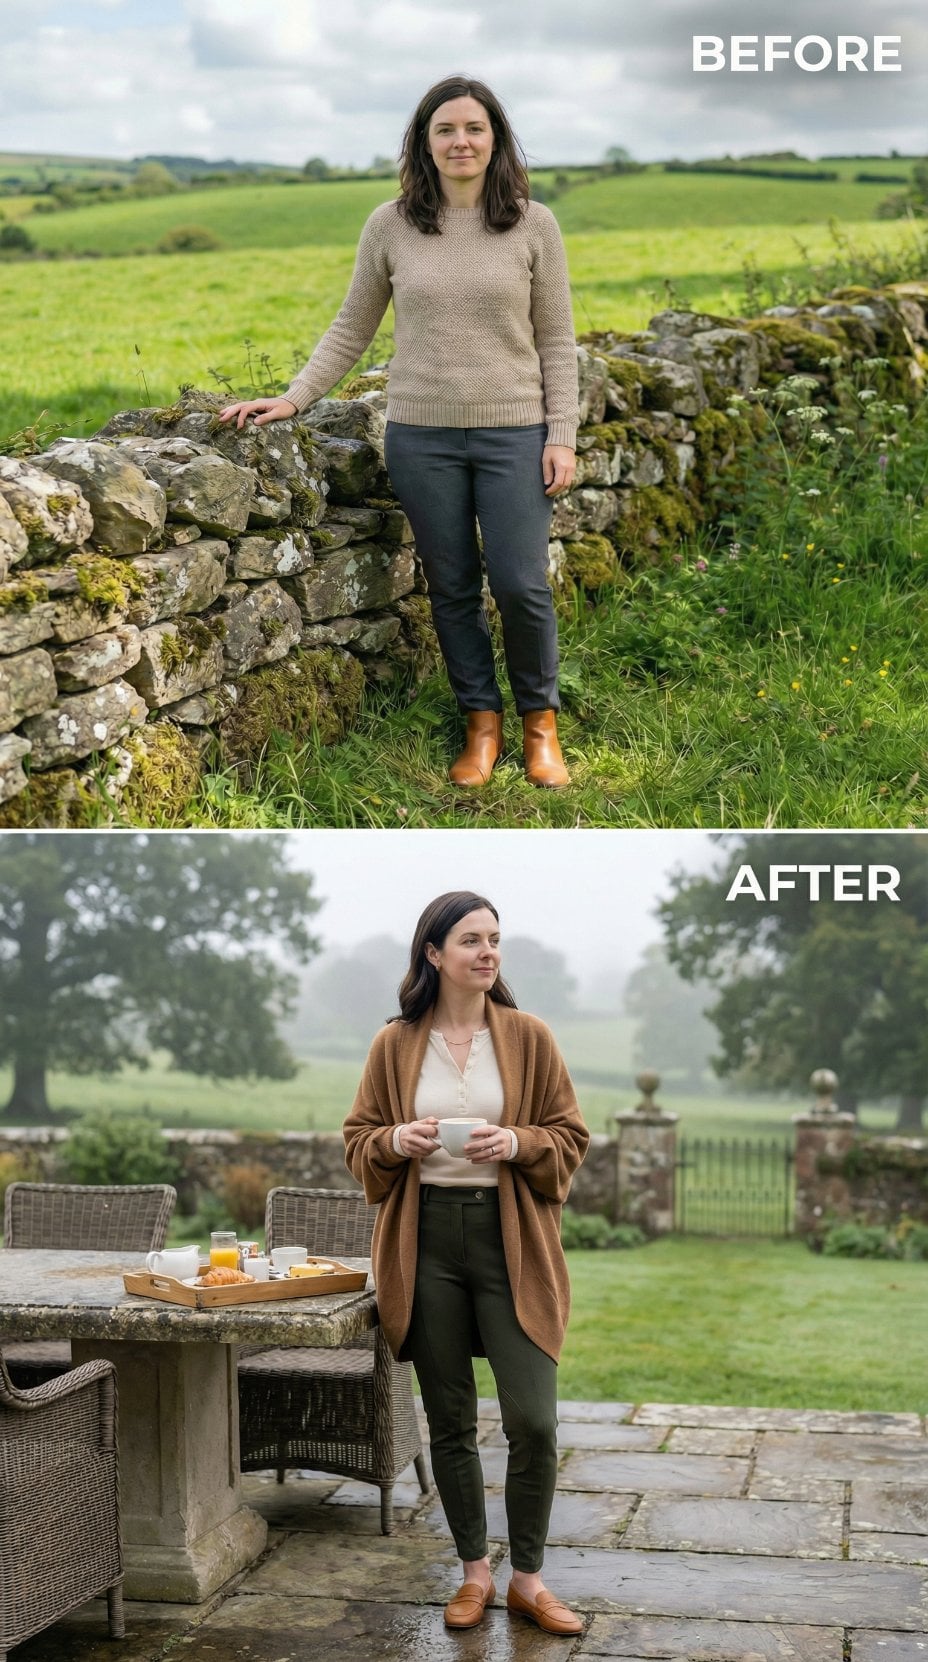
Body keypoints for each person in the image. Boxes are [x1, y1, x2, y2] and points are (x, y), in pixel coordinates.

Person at [219, 74, 580, 789]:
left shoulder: (534, 225)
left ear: (497, 140)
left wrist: (561, 433)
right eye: (445, 129)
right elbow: (353, 325)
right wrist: (295, 398)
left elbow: (557, 340)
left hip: (516, 433)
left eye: (474, 128)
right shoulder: (391, 225)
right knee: (449, 587)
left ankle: (542, 727)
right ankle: (482, 727)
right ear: (424, 142)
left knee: (519, 585)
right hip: (421, 436)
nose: (461, 141)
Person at [343, 891, 590, 1634]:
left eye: (495, 940)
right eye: (472, 941)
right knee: (448, 1419)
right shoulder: (395, 1044)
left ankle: (530, 1579)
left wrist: (515, 1143)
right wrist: (396, 1142)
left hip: (509, 1240)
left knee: (533, 1421)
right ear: (434, 953)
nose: (488, 953)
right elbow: (360, 1138)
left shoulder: (528, 1036)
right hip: (424, 1246)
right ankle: (475, 1573)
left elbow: (569, 1135)